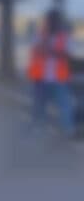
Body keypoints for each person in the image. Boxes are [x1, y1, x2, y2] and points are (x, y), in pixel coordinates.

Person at [27, 9, 75, 137]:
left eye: (55, 21)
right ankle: (38, 127)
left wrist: (51, 51)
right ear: (47, 21)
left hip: (59, 79)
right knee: (39, 105)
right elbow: (37, 50)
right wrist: (51, 49)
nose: (53, 23)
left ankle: (67, 129)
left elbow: (67, 55)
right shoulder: (39, 35)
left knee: (64, 105)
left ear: (59, 22)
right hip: (41, 78)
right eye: (50, 20)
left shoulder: (65, 37)